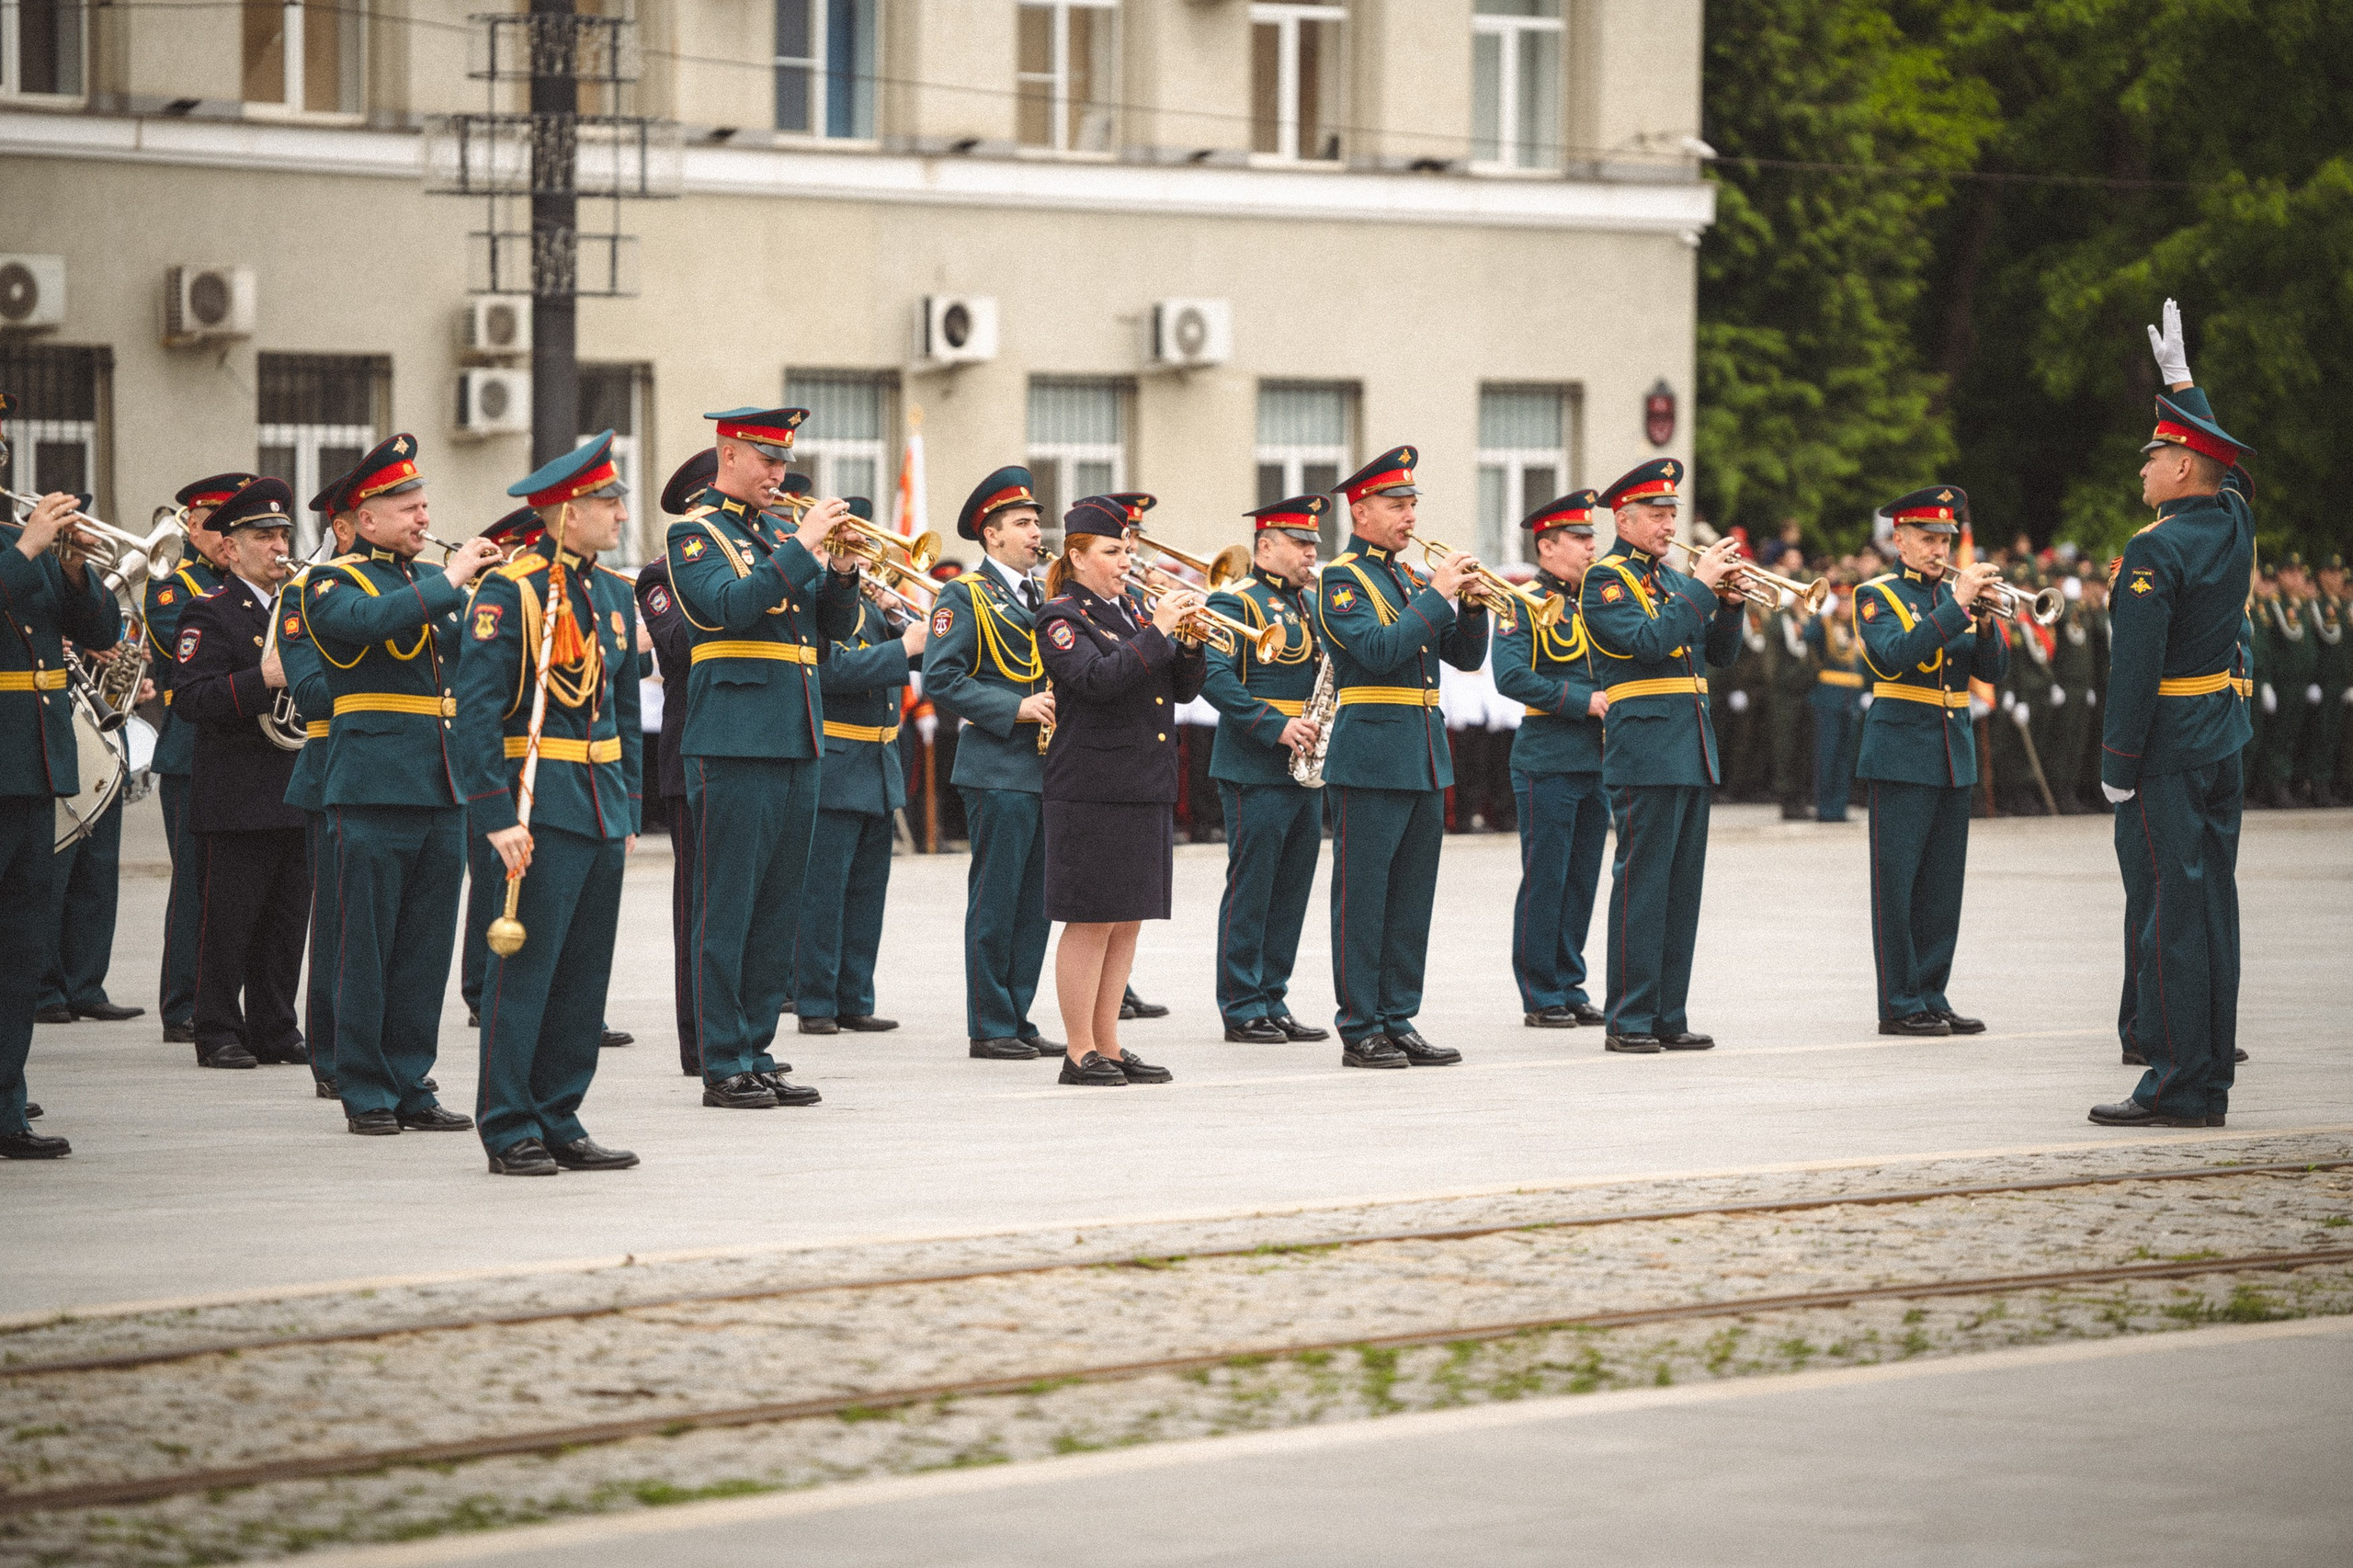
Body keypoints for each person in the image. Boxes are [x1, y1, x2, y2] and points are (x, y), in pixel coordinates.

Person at [301, 433, 502, 1135]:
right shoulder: (331, 584)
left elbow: (477, 658)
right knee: (367, 946)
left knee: (424, 949)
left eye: (424, 505)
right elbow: (372, 624)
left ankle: (411, 1080)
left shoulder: (431, 583)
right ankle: (364, 1087)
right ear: (364, 518)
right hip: (372, 785)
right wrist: (455, 581)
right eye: (408, 507)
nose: (424, 518)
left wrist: (504, 597)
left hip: (441, 784)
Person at [455, 434, 643, 1176]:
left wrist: (627, 810)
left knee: (582, 979)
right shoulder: (512, 590)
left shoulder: (614, 593)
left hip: (598, 807)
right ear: (567, 512)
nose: (621, 514)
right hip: (538, 805)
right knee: (525, 973)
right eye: (608, 503)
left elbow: (622, 714)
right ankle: (508, 1126)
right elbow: (476, 713)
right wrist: (495, 816)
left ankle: (559, 1114)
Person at [2091, 300, 2256, 1130]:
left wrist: (2117, 766)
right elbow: (2230, 469)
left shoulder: (2155, 549)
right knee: (2212, 907)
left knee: (2171, 917)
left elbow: (2135, 672)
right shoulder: (2233, 521)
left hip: (2167, 750)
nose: (2144, 468)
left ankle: (2174, 1085)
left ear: (2184, 466)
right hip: (2221, 738)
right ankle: (2209, 1076)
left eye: (2155, 456)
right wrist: (2183, 386)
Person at [667, 406, 857, 1109]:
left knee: (778, 907)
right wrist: (804, 547)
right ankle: (722, 1059)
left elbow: (831, 631)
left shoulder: (778, 534)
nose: (779, 473)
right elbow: (730, 606)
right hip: (734, 740)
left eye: (783, 461)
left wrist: (841, 572)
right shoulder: (696, 533)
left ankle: (757, 1049)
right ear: (729, 454)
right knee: (728, 907)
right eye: (766, 459)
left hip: (796, 735)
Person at [1311, 445, 1488, 1068]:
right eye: (1396, 505)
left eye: (1412, 504)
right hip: (1370, 754)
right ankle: (1360, 1025)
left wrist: (1471, 605)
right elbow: (1380, 651)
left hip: (1422, 753)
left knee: (1411, 899)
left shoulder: (1411, 579)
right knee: (1363, 899)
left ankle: (1398, 1016)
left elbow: (1465, 658)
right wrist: (1438, 595)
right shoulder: (1340, 580)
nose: (1410, 516)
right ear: (1361, 511)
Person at [1033, 496, 1204, 1085]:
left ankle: (1108, 1042)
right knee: (1091, 920)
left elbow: (1181, 690)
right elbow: (1097, 680)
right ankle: (1078, 1050)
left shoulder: (1129, 613)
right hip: (1092, 786)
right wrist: (1159, 632)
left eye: (1127, 549)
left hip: (1141, 781)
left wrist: (1190, 641)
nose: (1126, 560)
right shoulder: (1060, 617)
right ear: (1078, 556)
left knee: (1127, 919)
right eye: (1112, 551)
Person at [1579, 458, 1743, 1054]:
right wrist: (1702, 588)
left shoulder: (1673, 581)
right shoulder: (1606, 581)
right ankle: (1629, 1017)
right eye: (1656, 514)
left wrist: (1729, 604)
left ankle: (1668, 1013)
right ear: (1623, 520)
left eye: (1672, 514)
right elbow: (1649, 642)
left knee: (1681, 891)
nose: (1669, 525)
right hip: (1646, 748)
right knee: (1643, 888)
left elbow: (1719, 655)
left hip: (1690, 747)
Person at [2, 406, 122, 1159]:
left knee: (18, 956)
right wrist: (28, 548)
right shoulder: (20, 543)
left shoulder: (25, 542)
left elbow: (102, 633)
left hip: (34, 769)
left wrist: (75, 567)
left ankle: (7, 1109)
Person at [1852, 487, 2006, 1037]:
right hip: (1900, 752)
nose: (1939, 550)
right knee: (1897, 887)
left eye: (1945, 539)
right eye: (1927, 539)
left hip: (1951, 750)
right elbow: (1895, 657)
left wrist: (1985, 623)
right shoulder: (1876, 594)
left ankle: (1932, 993)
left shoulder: (1953, 597)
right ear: (1899, 541)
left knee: (1943, 886)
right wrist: (1957, 608)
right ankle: (1899, 1002)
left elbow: (1993, 671)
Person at [170, 478, 312, 1071]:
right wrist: (265, 679)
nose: (279, 546)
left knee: (286, 921)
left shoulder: (300, 608)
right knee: (227, 923)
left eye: (283, 534)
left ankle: (275, 1027)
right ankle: (218, 1029)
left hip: (295, 785)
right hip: (236, 793)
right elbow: (190, 698)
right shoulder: (210, 610)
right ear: (230, 548)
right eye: (264, 536)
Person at [924, 466, 1061, 1062]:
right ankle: (989, 1023)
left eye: (1035, 522)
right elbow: (941, 678)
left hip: (1046, 770)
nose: (1035, 533)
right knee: (997, 900)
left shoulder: (1047, 595)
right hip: (997, 767)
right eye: (1022, 523)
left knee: (1035, 904)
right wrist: (1015, 707)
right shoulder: (964, 594)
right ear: (992, 534)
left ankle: (1018, 1016)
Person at [1199, 494, 1330, 1044]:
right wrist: (1274, 725)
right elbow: (1214, 677)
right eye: (1299, 543)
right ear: (1266, 546)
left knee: (1292, 888)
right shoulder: (1237, 603)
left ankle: (1273, 997)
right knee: (1253, 887)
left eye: (1312, 544)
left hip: (1307, 763)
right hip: (1255, 764)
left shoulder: (1312, 604)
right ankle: (1241, 1004)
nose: (1310, 553)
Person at [795, 497, 923, 1035]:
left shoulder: (875, 605)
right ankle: (816, 1003)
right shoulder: (817, 597)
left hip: (878, 763)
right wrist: (903, 648)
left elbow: (923, 660)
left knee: (868, 894)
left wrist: (899, 626)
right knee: (824, 894)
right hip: (838, 763)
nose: (868, 559)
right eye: (857, 547)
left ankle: (854, 997)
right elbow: (829, 670)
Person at [1492, 490, 1610, 1029]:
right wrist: (1582, 701)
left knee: (1582, 880)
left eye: (1591, 538)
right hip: (1547, 756)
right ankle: (1540, 993)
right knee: (1547, 878)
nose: (1590, 548)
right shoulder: (1521, 602)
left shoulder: (1596, 602)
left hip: (1597, 758)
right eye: (1579, 539)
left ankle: (1570, 982)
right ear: (1547, 546)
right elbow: (1511, 676)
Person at [147, 472, 253, 1044]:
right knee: (195, 885)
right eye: (217, 525)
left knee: (244, 888)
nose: (226, 536)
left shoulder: (247, 586)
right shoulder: (173, 586)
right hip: (191, 751)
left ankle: (232, 1003)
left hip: (248, 749)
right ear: (191, 525)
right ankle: (183, 1004)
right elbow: (189, 649)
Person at [278, 474, 357, 1099]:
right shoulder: (305, 592)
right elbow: (308, 693)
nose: (421, 520)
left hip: (417, 773)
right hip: (335, 770)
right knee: (338, 926)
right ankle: (332, 1056)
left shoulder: (418, 586)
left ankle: (393, 1062)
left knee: (402, 934)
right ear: (347, 527)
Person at [637, 449, 711, 1077]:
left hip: (763, 751)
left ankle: (745, 1040)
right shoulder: (662, 575)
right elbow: (681, 648)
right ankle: (702, 1042)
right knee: (702, 906)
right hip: (694, 755)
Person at [1804, 586, 1866, 823]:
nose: (1845, 605)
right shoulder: (1825, 624)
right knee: (1827, 754)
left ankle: (1839, 807)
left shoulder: (1857, 627)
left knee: (1845, 756)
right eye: (1840, 600)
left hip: (1853, 698)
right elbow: (1808, 636)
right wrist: (1821, 613)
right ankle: (1824, 807)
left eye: (1848, 600)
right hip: (1829, 697)